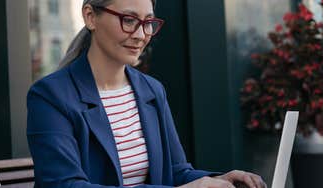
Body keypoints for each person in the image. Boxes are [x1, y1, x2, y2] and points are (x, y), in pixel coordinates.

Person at [26, 0, 267, 187]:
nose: (141, 35)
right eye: (129, 20)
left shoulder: (151, 90)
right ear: (90, 16)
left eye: (148, 23)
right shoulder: (50, 96)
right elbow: (65, 185)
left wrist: (221, 180)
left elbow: (175, 171)